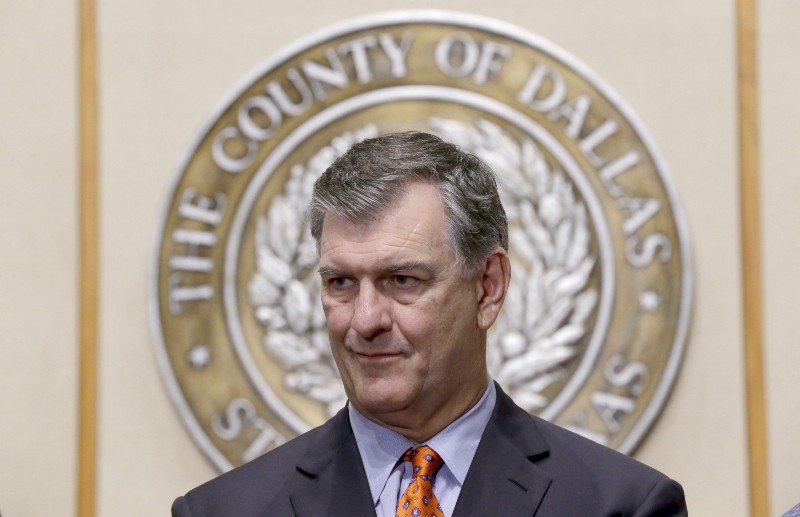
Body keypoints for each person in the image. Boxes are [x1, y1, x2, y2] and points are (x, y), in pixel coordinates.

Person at [171, 131, 687, 516]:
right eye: (340, 283)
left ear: (488, 286)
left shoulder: (620, 507)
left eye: (402, 280)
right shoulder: (222, 512)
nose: (365, 321)